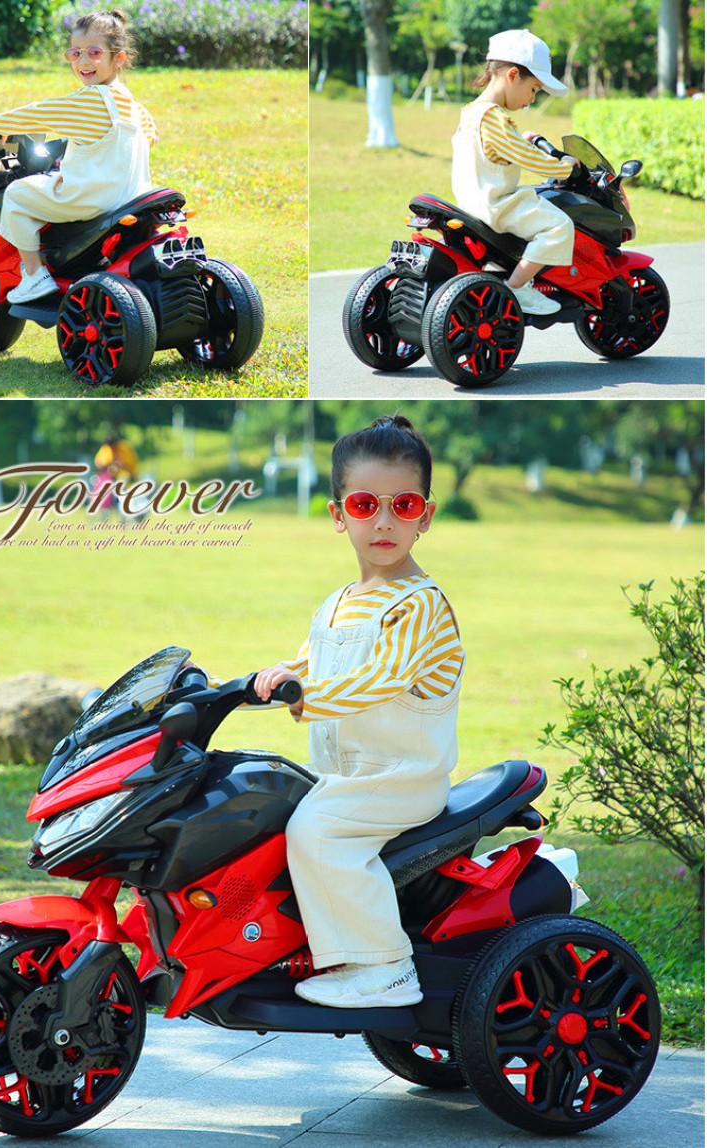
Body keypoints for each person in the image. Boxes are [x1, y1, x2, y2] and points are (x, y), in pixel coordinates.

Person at [253, 415, 465, 1008]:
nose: (385, 521)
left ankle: (385, 967)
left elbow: (377, 680)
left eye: (404, 505)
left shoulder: (420, 605)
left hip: (402, 778)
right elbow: (307, 665)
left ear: (425, 516)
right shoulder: (338, 603)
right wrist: (241, 684)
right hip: (346, 775)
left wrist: (304, 695)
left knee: (318, 833)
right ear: (339, 514)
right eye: (366, 504)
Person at [0, 9, 159, 304]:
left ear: (118, 58)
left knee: (16, 194)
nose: (82, 61)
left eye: (94, 52)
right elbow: (151, 138)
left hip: (92, 198)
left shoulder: (91, 99)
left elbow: (43, 112)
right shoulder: (135, 106)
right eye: (75, 53)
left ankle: (34, 275)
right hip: (132, 197)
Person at [451, 29, 578, 317]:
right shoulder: (494, 117)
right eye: (534, 89)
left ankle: (505, 271)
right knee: (559, 226)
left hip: (471, 204)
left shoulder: (472, 112)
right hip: (496, 205)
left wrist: (523, 139)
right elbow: (530, 159)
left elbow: (496, 150)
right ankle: (519, 286)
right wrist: (565, 167)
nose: (532, 98)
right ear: (512, 75)